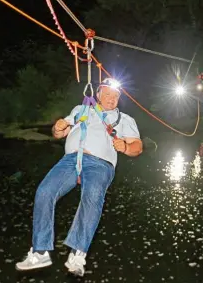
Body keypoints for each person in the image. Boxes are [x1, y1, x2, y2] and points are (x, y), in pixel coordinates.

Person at [15, 78, 143, 276]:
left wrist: (126, 147)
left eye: (115, 96)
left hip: (101, 164)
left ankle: (77, 255)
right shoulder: (81, 110)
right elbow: (61, 132)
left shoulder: (124, 120)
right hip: (70, 160)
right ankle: (40, 252)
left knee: (92, 195)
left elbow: (137, 147)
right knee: (44, 192)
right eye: (107, 94)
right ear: (98, 95)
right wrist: (57, 128)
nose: (111, 99)